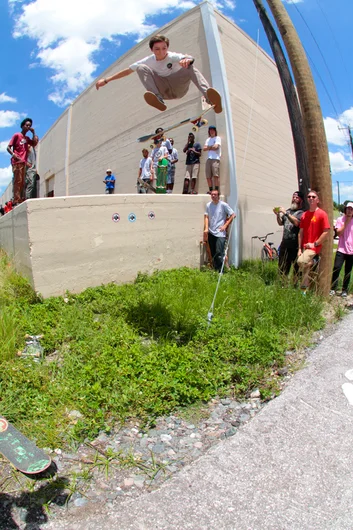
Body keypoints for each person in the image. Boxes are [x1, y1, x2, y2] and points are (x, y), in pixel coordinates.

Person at [95, 34, 222, 113]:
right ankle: (158, 99)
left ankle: (209, 97)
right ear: (152, 50)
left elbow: (188, 58)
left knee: (189, 66)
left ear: (167, 48)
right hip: (163, 90)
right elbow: (128, 71)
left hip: (178, 87)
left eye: (164, 48)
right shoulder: (148, 60)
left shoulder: (173, 56)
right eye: (157, 49)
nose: (161, 52)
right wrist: (106, 80)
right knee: (140, 67)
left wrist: (187, 60)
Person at [297, 190, 330, 292]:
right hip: (304, 247)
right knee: (305, 272)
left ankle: (314, 261)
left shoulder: (322, 214)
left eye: (313, 197)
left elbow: (326, 231)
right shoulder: (304, 215)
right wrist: (299, 249)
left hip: (314, 247)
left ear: (318, 200)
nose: (311, 198)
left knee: (300, 261)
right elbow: (300, 232)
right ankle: (304, 293)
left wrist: (315, 243)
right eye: (309, 197)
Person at [273, 191, 305, 281]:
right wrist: (277, 215)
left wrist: (286, 213)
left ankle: (295, 286)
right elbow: (280, 223)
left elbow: (296, 223)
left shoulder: (301, 213)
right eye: (293, 197)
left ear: (301, 200)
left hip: (295, 245)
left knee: (297, 268)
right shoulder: (288, 211)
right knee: (282, 267)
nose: (294, 199)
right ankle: (282, 285)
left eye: (296, 197)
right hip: (285, 244)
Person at [7, 118, 39, 205]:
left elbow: (34, 143)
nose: (28, 127)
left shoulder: (27, 138)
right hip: (17, 162)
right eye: (27, 125)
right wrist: (14, 155)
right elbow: (8, 148)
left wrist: (33, 133)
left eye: (30, 126)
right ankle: (16, 199)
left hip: (24, 162)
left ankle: (20, 198)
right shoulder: (17, 135)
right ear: (22, 126)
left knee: (23, 181)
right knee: (18, 180)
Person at [204, 189, 235, 272]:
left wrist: (225, 225)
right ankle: (216, 269)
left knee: (219, 252)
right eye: (212, 194)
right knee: (213, 252)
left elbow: (233, 215)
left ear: (218, 196)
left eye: (215, 195)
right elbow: (206, 216)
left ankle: (221, 272)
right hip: (211, 232)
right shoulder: (208, 205)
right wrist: (206, 228)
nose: (213, 196)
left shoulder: (223, 205)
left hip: (220, 233)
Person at [330, 202, 353, 297]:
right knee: (336, 268)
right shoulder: (340, 219)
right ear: (345, 209)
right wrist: (346, 222)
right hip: (341, 249)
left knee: (348, 271)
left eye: (351, 209)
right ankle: (332, 288)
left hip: (351, 250)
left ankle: (344, 290)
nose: (349, 210)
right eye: (348, 208)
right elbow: (338, 233)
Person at [203, 126, 221, 194]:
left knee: (215, 175)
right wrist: (211, 147)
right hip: (209, 158)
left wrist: (208, 147)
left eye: (213, 130)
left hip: (215, 158)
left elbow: (216, 147)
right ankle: (210, 190)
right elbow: (204, 148)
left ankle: (216, 190)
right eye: (210, 130)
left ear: (215, 131)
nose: (211, 131)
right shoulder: (208, 139)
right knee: (208, 176)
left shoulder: (217, 138)